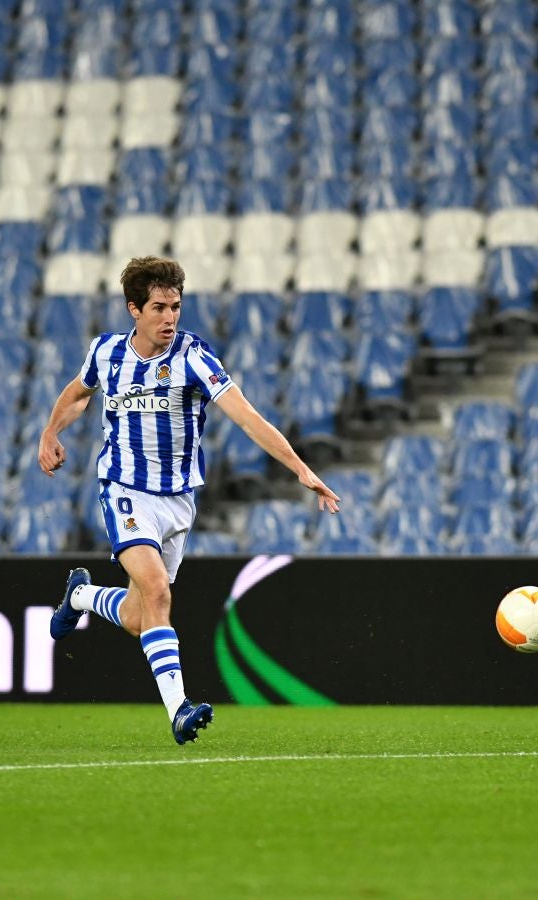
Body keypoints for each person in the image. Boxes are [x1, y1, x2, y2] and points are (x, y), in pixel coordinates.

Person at [37, 256, 340, 745]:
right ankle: (179, 710)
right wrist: (50, 432)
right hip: (124, 489)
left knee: (140, 618)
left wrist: (300, 468)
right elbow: (77, 393)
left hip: (177, 503)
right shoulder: (106, 353)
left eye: (176, 306)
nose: (170, 318)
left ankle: (80, 596)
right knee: (158, 592)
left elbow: (247, 417)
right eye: (158, 307)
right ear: (134, 309)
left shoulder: (194, 359)